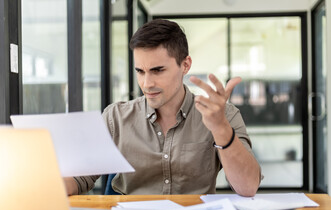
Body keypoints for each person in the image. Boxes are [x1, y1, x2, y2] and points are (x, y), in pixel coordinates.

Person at [65, 19, 261, 197]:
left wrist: (220, 128)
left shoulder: (223, 115)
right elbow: (79, 178)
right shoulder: (116, 117)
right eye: (140, 71)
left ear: (185, 65)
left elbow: (248, 187)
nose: (147, 83)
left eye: (157, 70)